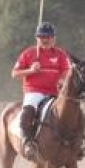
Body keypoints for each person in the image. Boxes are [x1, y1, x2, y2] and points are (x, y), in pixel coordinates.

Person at [11, 22, 71, 159]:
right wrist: (30, 70)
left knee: (70, 112)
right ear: (37, 38)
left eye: (48, 37)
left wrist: (62, 80)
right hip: (34, 92)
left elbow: (67, 72)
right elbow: (14, 73)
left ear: (54, 38)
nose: (45, 40)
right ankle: (27, 142)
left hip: (55, 93)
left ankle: (73, 144)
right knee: (28, 111)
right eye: (42, 37)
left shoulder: (60, 54)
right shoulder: (29, 53)